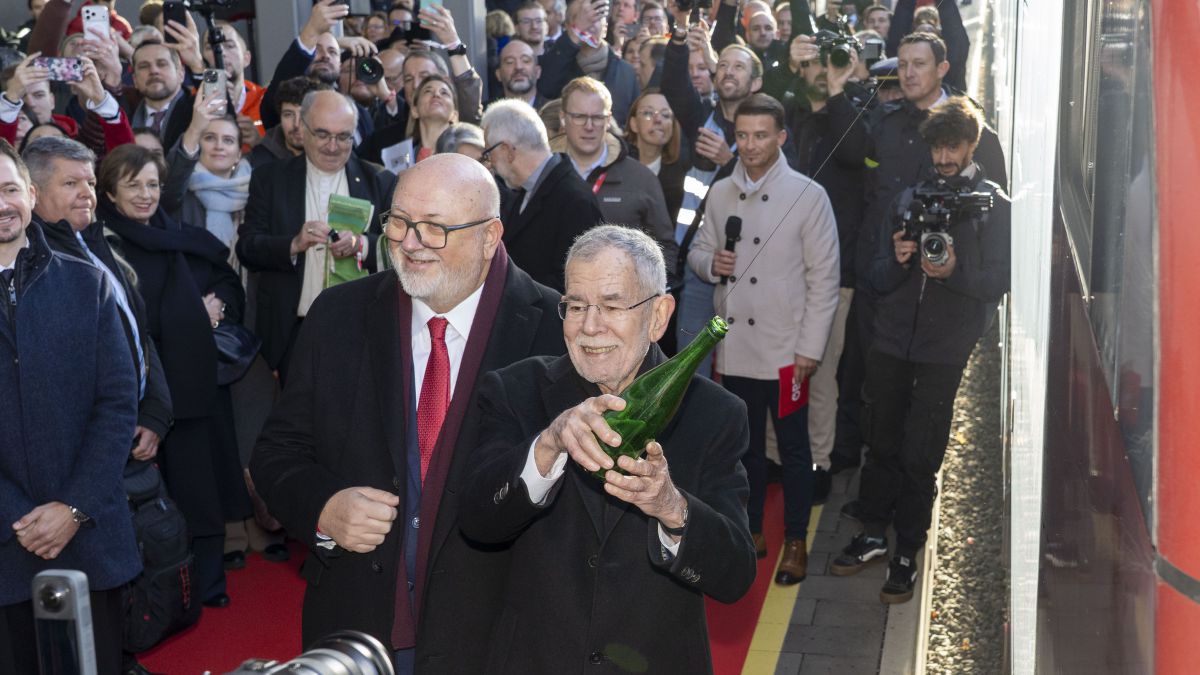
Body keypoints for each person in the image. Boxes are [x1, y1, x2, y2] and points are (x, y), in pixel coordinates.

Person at [249, 153, 565, 674]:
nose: (409, 242)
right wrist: (324, 508)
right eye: (398, 222)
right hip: (361, 628)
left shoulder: (554, 332)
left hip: (500, 639)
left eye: (435, 228)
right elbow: (276, 453)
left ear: (490, 237)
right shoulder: (338, 315)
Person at [459, 224, 757, 672]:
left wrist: (672, 508)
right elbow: (478, 520)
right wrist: (548, 443)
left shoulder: (715, 413)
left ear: (659, 315)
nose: (589, 326)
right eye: (575, 305)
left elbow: (734, 576)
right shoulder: (515, 389)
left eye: (612, 305)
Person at [829, 97, 1010, 604]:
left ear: (972, 144)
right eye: (937, 146)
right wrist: (903, 259)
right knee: (880, 443)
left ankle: (908, 551)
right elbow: (878, 275)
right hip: (891, 342)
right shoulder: (909, 197)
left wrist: (955, 273)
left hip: (944, 351)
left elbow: (1000, 280)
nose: (944, 156)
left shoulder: (992, 204)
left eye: (953, 146)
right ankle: (871, 534)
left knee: (920, 453)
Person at [825, 33, 1006, 475]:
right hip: (885, 282)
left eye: (918, 64)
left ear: (942, 69)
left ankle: (907, 504)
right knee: (873, 390)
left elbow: (994, 213)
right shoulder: (885, 122)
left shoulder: (975, 131)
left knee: (924, 417)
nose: (907, 73)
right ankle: (868, 487)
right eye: (902, 64)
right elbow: (850, 158)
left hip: (949, 305)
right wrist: (833, 90)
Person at [0, 139, 140, 675]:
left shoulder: (88, 283)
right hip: (4, 544)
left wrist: (73, 507)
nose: (4, 203)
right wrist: (18, 517)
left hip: (88, 535)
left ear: (31, 195)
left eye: (11, 189)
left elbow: (117, 405)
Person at [687, 93, 839, 584]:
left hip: (784, 351)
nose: (749, 145)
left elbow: (824, 280)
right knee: (745, 448)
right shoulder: (720, 193)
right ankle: (750, 528)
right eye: (743, 135)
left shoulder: (808, 195)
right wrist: (713, 263)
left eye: (760, 135)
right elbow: (698, 251)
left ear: (781, 137)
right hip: (734, 349)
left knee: (794, 452)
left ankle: (796, 538)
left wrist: (809, 349)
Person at [95, 143, 252, 609]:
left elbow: (224, 279)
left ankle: (208, 582)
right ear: (109, 192)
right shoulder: (103, 246)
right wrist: (187, 313)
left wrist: (218, 307)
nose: (145, 195)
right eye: (133, 186)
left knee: (202, 487)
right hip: (144, 391)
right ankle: (162, 590)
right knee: (158, 497)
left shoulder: (183, 235)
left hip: (197, 385)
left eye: (153, 185)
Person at [22, 136, 172, 473]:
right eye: (71, 183)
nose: (86, 193)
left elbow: (137, 331)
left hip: (132, 437)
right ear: (34, 192)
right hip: (84, 450)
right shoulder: (32, 263)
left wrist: (155, 411)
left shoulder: (96, 242)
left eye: (90, 182)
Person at [236, 91, 394, 382]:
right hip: (294, 331)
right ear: (302, 130)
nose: (333, 146)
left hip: (362, 331)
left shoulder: (380, 181)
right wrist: (294, 244)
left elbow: (398, 250)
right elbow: (247, 247)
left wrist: (363, 245)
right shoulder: (270, 179)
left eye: (343, 137)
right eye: (322, 134)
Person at [554, 77, 677, 289]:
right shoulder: (543, 174)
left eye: (597, 117)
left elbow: (665, 247)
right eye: (580, 117)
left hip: (621, 304)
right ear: (563, 118)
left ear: (609, 119)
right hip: (555, 302)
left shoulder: (641, 178)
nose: (589, 126)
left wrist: (647, 295)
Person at [480, 98, 604, 291]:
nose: (490, 163)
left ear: (507, 150)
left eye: (489, 153)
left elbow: (575, 284)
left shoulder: (575, 200)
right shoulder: (524, 192)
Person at [161, 90, 251, 252]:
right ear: (198, 144)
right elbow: (168, 193)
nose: (219, 146)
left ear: (238, 154)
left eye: (228, 140)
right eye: (209, 138)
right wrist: (195, 129)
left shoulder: (256, 191)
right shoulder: (180, 190)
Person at [538, 0, 640, 126]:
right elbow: (545, 87)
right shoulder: (556, 62)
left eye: (596, 17)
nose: (588, 23)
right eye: (581, 17)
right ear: (569, 27)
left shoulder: (626, 72)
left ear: (605, 27)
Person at [625, 89, 691, 224]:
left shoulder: (681, 176)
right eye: (648, 113)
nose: (658, 119)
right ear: (634, 124)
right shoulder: (615, 167)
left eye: (666, 115)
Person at [249, 76, 327, 168]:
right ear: (280, 117)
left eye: (304, 114)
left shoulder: (335, 154)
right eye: (288, 114)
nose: (296, 124)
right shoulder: (258, 163)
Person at [127, 39, 192, 149]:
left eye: (162, 64)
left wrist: (198, 66)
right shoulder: (126, 115)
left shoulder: (197, 110)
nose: (153, 71)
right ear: (135, 80)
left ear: (181, 73)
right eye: (144, 66)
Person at [493, 39, 544, 107]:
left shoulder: (555, 113)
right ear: (498, 74)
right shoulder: (485, 114)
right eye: (510, 62)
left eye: (525, 61)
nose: (518, 67)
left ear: (538, 72)